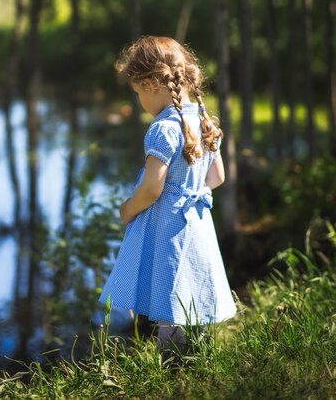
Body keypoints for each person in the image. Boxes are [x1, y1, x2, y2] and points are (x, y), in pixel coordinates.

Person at [98, 35, 236, 351]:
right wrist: (189, 191)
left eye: (136, 93)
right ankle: (197, 356)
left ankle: (172, 365)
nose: (139, 101)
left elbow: (152, 188)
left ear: (150, 84)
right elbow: (217, 177)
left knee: (168, 296)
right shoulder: (200, 119)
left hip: (170, 229)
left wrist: (129, 209)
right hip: (197, 224)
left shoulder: (164, 128)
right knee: (190, 292)